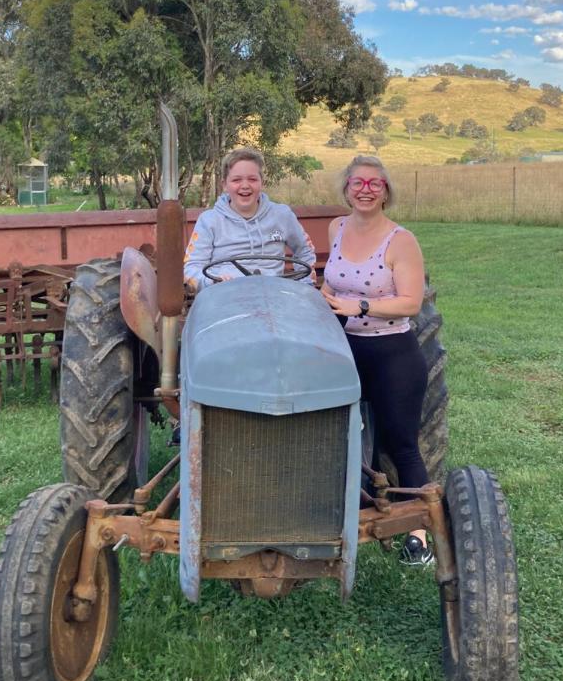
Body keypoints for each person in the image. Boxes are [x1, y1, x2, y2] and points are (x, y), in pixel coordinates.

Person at [321, 155, 433, 567]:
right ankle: (342, 515)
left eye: (375, 183)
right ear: (346, 188)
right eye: (358, 183)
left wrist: (359, 305)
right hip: (343, 350)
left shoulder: (401, 240)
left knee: (399, 443)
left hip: (391, 353)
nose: (365, 190)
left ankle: (419, 534)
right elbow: (329, 280)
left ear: (386, 191)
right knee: (337, 434)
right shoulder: (336, 228)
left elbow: (411, 301)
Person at [184, 147, 316, 291]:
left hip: (273, 295)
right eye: (236, 180)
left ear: (262, 183)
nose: (245, 186)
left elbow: (304, 251)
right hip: (225, 296)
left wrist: (305, 285)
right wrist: (211, 282)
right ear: (224, 185)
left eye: (252, 179)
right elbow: (191, 268)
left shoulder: (282, 215)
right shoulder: (209, 221)